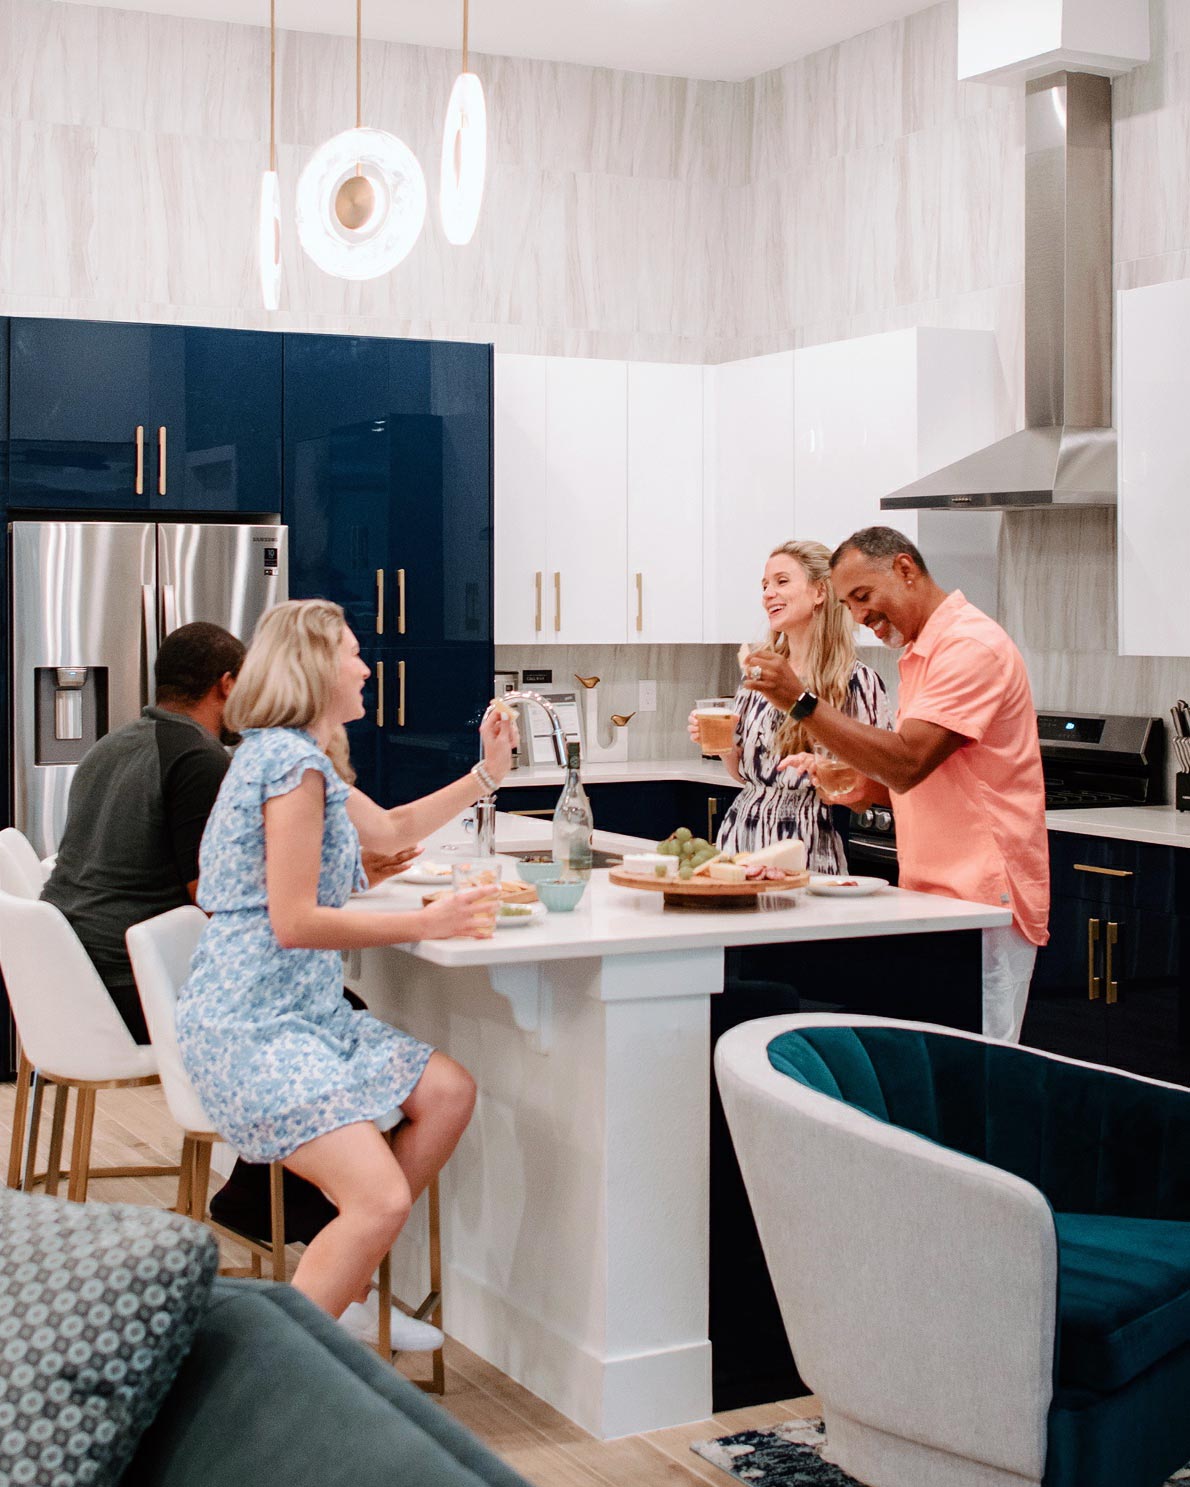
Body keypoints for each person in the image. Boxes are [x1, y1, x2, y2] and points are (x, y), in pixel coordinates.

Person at [175, 598, 514, 1350]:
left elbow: (389, 827)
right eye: (353, 653)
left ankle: (348, 1287)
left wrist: (486, 774)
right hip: (253, 1025)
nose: (365, 666)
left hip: (302, 1014)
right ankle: (268, 1375)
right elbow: (293, 921)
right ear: (317, 667)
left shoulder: (288, 754)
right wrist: (425, 921)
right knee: (378, 1197)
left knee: (448, 1092)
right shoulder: (290, 765)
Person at [743, 526, 1048, 1042]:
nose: (859, 616)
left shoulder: (969, 647)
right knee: (934, 1068)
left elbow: (908, 762)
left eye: (864, 597)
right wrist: (863, 786)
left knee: (979, 1071)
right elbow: (919, 777)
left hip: (982, 899)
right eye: (849, 604)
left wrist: (801, 702)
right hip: (935, 894)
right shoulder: (922, 651)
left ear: (906, 570)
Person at [42, 622, 247, 1043]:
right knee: (334, 1008)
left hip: (65, 976)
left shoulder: (108, 746)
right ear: (226, 685)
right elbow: (212, 897)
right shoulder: (198, 758)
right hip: (130, 985)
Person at [689, 540, 890, 872]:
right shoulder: (760, 674)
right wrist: (721, 742)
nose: (768, 593)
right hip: (739, 838)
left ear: (819, 593)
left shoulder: (857, 681)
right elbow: (744, 773)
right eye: (765, 585)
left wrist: (825, 772)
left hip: (804, 847)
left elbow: (874, 785)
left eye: (781, 582)